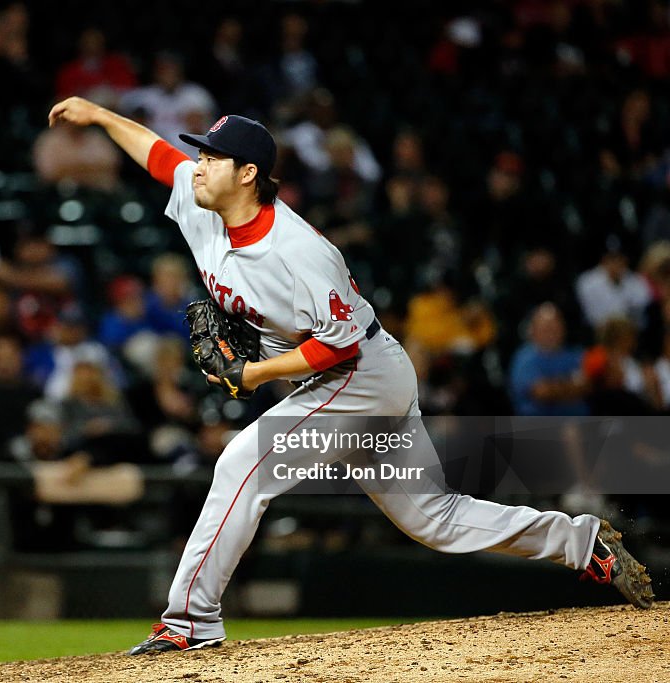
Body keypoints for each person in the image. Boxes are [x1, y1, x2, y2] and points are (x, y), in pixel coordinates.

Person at [46, 96, 656, 654]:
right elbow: (157, 155)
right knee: (431, 518)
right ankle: (581, 542)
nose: (198, 164)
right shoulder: (205, 205)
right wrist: (100, 117)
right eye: (201, 153)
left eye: (212, 157)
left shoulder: (301, 251)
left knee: (242, 463)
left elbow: (337, 351)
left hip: (360, 373)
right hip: (349, 378)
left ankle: (189, 622)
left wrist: (255, 372)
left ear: (249, 174)